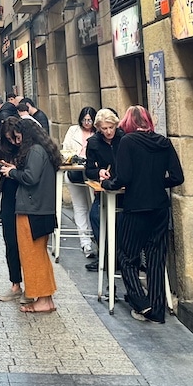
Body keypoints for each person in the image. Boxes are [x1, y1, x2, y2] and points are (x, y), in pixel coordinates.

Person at [101, 106, 184, 323]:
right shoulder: (164, 142)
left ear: (127, 124)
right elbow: (177, 177)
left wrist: (107, 183)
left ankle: (140, 302)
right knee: (156, 258)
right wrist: (156, 182)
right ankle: (157, 310)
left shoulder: (128, 142)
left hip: (136, 207)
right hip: (159, 207)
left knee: (127, 257)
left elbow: (124, 177)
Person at [1, 115, 61, 314]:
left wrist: (12, 173)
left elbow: (30, 177)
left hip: (32, 209)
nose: (18, 142)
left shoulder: (35, 151)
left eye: (19, 138)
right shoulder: (44, 149)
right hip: (41, 209)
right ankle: (46, 297)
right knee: (39, 255)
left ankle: (42, 299)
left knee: (32, 256)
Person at [0, 115, 25, 302]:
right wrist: (2, 167)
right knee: (10, 240)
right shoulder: (2, 145)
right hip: (9, 193)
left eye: (15, 138)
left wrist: (16, 168)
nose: (12, 142)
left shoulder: (26, 146)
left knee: (26, 240)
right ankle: (15, 283)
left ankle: (32, 283)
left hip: (25, 193)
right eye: (9, 139)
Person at [84, 107, 124, 270]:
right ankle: (107, 254)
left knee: (122, 220)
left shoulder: (124, 138)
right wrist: (99, 172)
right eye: (104, 128)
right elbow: (88, 170)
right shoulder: (93, 143)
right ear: (99, 129)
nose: (108, 132)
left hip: (124, 185)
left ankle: (122, 256)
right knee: (95, 216)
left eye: (111, 127)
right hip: (105, 187)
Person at [61, 106, 98, 258]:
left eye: (90, 120)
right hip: (75, 173)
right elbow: (66, 150)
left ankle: (96, 238)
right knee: (80, 206)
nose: (87, 122)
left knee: (94, 207)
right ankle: (85, 241)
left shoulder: (99, 132)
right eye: (85, 119)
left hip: (92, 175)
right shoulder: (73, 131)